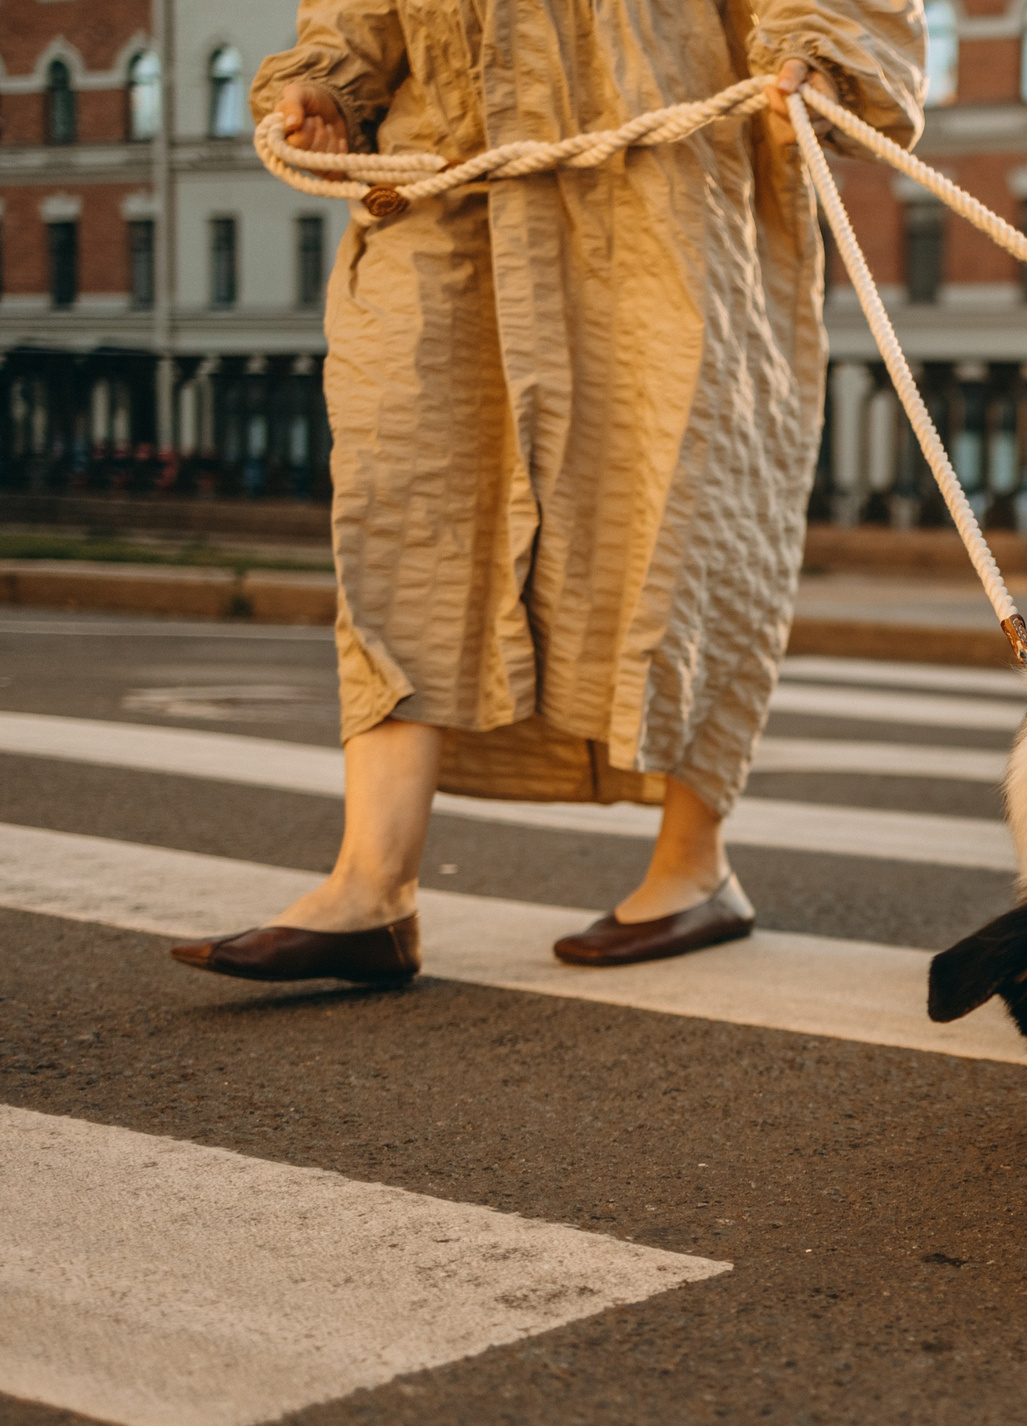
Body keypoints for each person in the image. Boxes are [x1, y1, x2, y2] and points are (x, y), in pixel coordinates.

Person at [172, 0, 925, 986]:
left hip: (664, 200)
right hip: (447, 197)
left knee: (682, 516)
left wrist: (815, 70)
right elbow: (355, 23)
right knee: (404, 507)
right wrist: (325, 92)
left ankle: (692, 868)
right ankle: (371, 886)